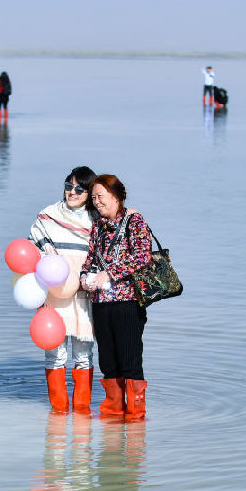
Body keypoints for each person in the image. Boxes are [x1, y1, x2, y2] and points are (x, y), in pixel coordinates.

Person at [80, 174, 153, 419]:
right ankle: (112, 418)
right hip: (101, 303)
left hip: (127, 302)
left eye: (100, 196)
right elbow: (91, 256)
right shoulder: (98, 225)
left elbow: (143, 256)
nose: (97, 202)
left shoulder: (134, 219)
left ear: (116, 195)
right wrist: (84, 276)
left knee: (130, 360)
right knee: (108, 362)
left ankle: (135, 420)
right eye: (93, 198)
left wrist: (109, 274)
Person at [29, 166, 97, 413]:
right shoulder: (48, 215)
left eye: (79, 188)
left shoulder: (96, 219)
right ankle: (57, 414)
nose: (72, 192)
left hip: (82, 294)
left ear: (89, 192)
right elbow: (31, 245)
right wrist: (45, 253)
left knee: (83, 356)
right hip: (52, 293)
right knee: (55, 355)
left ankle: (82, 414)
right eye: (69, 186)